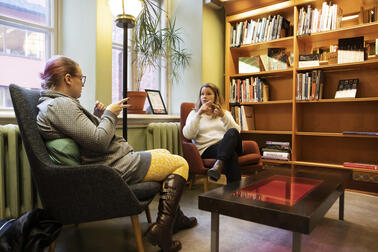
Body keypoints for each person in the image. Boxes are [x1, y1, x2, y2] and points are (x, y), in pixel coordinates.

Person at [36, 55, 197, 252]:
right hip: (110, 168)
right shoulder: (60, 106)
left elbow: (85, 138)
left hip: (109, 163)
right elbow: (99, 142)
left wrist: (97, 117)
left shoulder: (56, 105)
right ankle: (163, 229)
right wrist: (110, 114)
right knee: (180, 163)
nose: (83, 84)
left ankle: (174, 220)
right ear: (68, 79)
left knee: (164, 152)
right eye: (81, 78)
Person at [183, 83, 242, 184]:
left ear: (216, 96)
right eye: (202, 94)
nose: (204, 96)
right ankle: (235, 193)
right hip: (207, 149)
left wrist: (223, 116)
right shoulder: (194, 114)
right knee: (231, 155)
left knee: (232, 131)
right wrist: (199, 114)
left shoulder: (224, 113)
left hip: (227, 144)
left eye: (208, 93)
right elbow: (188, 135)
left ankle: (218, 163)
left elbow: (237, 132)